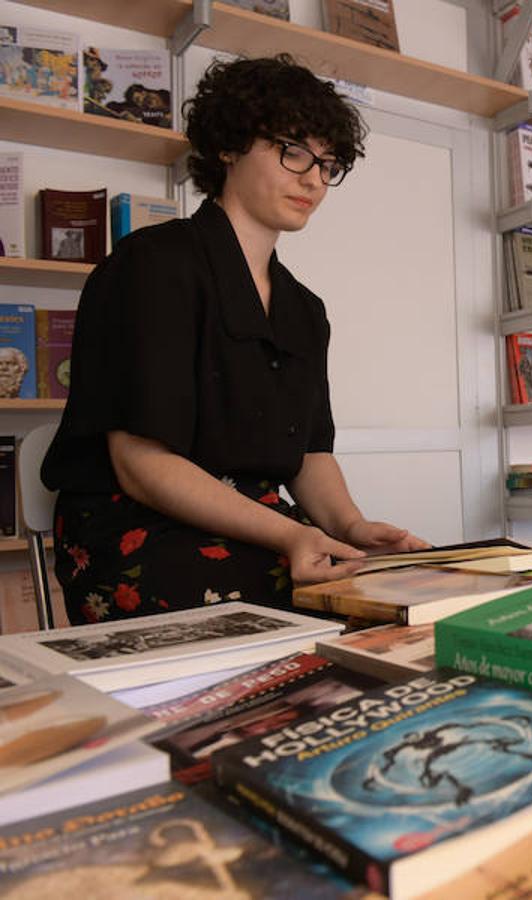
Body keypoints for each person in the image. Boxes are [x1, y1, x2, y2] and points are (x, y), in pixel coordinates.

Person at [42, 55, 428, 625]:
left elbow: (310, 454)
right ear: (229, 146)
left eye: (328, 163)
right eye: (293, 150)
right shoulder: (151, 265)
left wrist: (350, 527)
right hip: (138, 526)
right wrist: (292, 536)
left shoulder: (304, 309)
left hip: (261, 526)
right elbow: (140, 465)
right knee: (328, 617)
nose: (313, 179)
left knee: (391, 598)